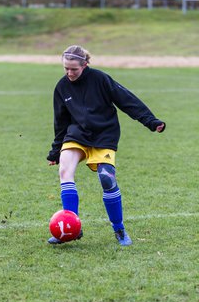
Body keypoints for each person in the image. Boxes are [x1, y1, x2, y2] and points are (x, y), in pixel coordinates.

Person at [47, 45, 166, 246]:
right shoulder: (61, 87)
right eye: (66, 68)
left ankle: (119, 229)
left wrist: (150, 121)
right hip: (77, 134)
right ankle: (72, 228)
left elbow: (127, 100)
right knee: (65, 170)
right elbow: (60, 122)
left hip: (104, 135)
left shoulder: (101, 79)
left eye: (73, 69)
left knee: (106, 179)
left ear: (85, 65)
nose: (69, 73)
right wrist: (55, 151)